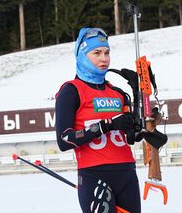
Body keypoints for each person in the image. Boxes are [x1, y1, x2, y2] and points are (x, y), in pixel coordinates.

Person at [55, 27, 140, 213]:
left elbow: (133, 136)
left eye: (107, 52)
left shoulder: (117, 93)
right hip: (94, 174)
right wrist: (107, 125)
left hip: (126, 172)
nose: (104, 58)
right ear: (82, 55)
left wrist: (144, 110)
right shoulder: (71, 91)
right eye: (97, 53)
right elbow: (64, 140)